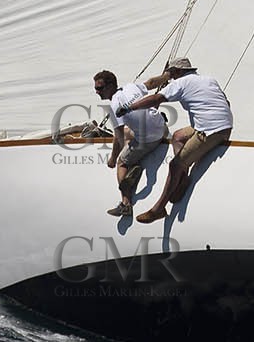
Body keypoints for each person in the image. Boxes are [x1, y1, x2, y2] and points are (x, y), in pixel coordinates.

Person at [115, 57, 233, 224]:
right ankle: (183, 177)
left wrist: (129, 108)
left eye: (171, 74)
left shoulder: (181, 82)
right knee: (178, 136)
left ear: (178, 71)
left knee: (175, 164)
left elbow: (156, 99)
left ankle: (159, 209)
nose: (170, 78)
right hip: (225, 125)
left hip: (210, 131)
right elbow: (225, 102)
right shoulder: (209, 80)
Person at [94, 69, 170, 217]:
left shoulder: (114, 107)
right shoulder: (130, 87)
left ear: (110, 86)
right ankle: (134, 160)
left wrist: (113, 159)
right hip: (162, 126)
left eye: (99, 88)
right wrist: (167, 76)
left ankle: (125, 204)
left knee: (122, 162)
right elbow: (151, 83)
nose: (97, 91)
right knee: (130, 132)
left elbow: (118, 138)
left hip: (151, 139)